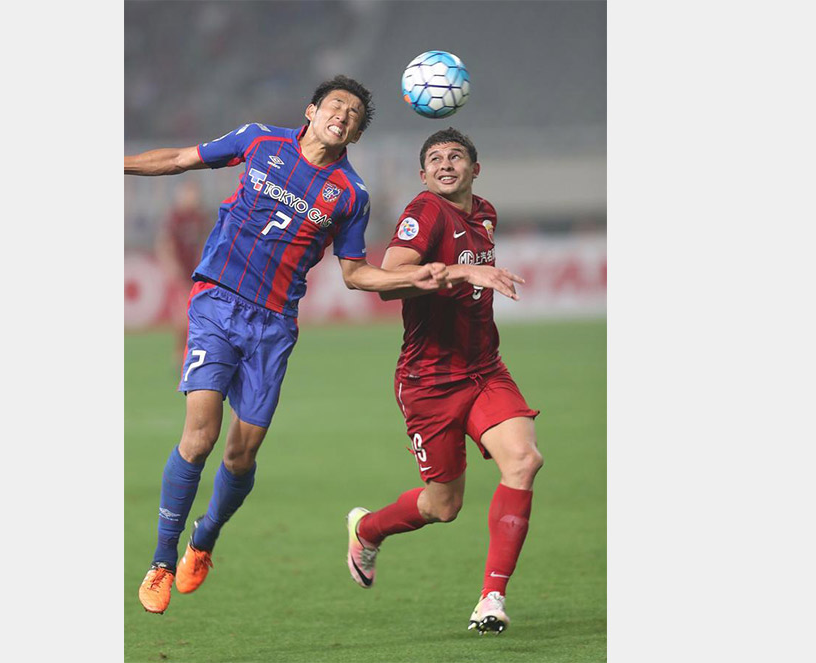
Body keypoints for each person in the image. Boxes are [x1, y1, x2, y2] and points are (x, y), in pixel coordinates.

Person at [124, 75, 450, 614]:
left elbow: (355, 273)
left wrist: (411, 280)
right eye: (335, 106)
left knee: (241, 451)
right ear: (312, 110)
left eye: (353, 115)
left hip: (273, 326)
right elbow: (181, 159)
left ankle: (204, 540)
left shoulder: (350, 195)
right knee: (200, 435)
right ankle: (161, 559)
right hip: (216, 303)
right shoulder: (260, 140)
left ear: (356, 135)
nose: (342, 116)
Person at [345, 128, 543, 635]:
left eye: (456, 156)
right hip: (430, 380)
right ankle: (367, 529)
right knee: (443, 505)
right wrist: (460, 273)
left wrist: (470, 274)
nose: (445, 163)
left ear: (476, 169)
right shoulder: (425, 213)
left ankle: (491, 599)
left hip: (484, 369)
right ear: (423, 175)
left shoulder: (485, 213)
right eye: (434, 158)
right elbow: (391, 278)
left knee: (523, 459)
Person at [155, 180, 211, 366]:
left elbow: (208, 240)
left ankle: (193, 352)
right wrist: (171, 266)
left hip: (198, 272)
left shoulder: (201, 218)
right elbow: (165, 244)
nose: (191, 198)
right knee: (183, 315)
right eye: (188, 193)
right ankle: (181, 353)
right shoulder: (175, 218)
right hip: (181, 272)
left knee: (198, 313)